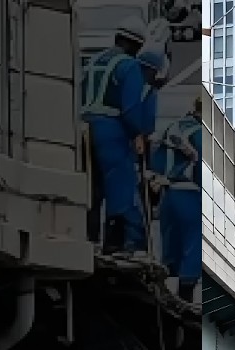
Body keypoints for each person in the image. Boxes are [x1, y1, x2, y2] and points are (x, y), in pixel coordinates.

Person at [80, 18, 149, 254]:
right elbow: (130, 108)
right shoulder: (129, 66)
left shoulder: (92, 62)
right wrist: (138, 133)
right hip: (111, 129)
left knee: (91, 185)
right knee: (119, 183)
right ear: (136, 45)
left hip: (82, 126)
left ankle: (89, 237)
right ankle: (114, 242)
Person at [148, 101, 202, 295]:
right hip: (191, 196)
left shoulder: (173, 127)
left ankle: (164, 295)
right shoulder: (200, 133)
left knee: (171, 252)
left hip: (169, 195)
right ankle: (184, 301)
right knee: (193, 249)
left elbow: (155, 160)